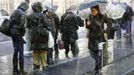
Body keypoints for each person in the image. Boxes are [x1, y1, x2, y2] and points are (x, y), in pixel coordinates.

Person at [86, 5, 112, 74]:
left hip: (99, 37)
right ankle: (98, 64)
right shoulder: (90, 16)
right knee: (92, 53)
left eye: (94, 10)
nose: (93, 12)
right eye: (91, 11)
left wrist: (106, 32)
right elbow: (89, 27)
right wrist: (87, 24)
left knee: (98, 53)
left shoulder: (102, 16)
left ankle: (97, 68)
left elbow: (110, 23)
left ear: (97, 10)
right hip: (92, 38)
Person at [27, 2, 49, 71]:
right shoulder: (43, 15)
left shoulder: (29, 16)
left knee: (35, 50)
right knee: (43, 50)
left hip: (33, 34)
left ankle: (36, 64)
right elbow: (46, 24)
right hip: (42, 34)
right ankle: (44, 64)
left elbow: (28, 26)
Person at [10, 2, 29, 74]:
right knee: (21, 53)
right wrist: (23, 32)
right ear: (25, 7)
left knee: (15, 51)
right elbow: (22, 26)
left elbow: (10, 21)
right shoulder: (22, 14)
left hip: (12, 33)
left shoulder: (15, 11)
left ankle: (15, 70)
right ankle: (22, 70)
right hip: (18, 34)